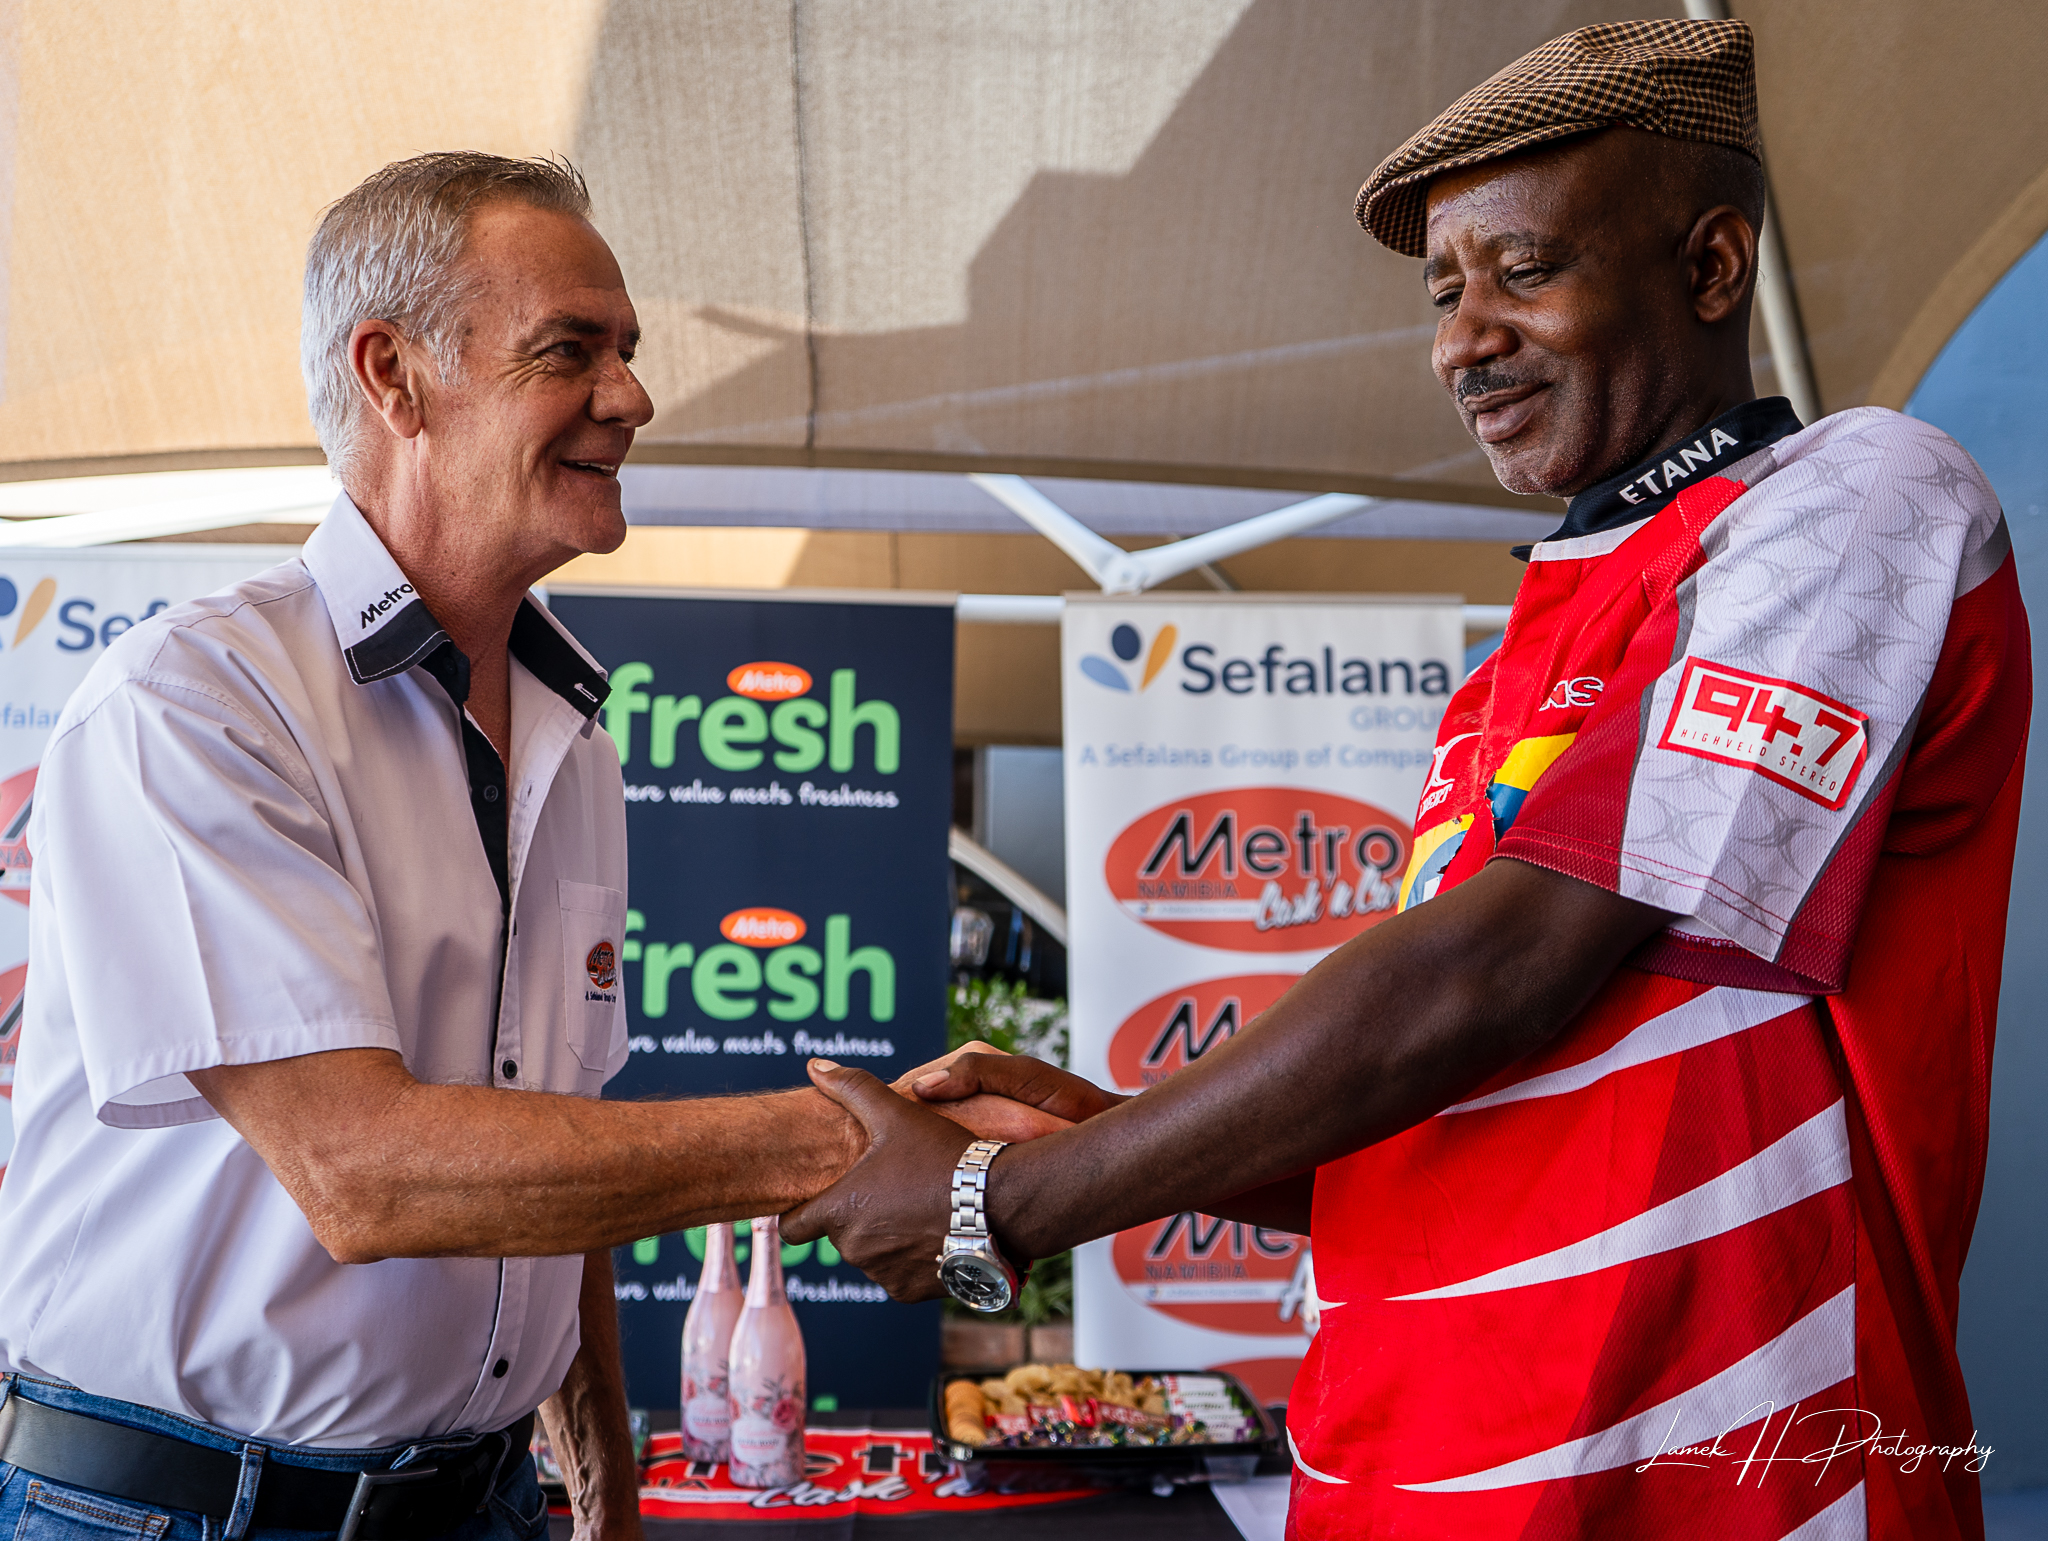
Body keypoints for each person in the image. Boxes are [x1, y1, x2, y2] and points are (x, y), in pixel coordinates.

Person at [785, 20, 2029, 1540]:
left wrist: (1008, 1207)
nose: (1462, 339)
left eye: (1524, 270)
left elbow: (1500, 969)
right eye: (1445, 292)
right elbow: (1427, 1139)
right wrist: (1081, 1118)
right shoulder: (1504, 675)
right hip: (1388, 1483)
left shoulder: (1861, 496)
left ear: (1713, 269)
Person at [0, 154, 1043, 1541]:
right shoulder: (199, 702)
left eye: (628, 351)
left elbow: (555, 1146)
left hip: (487, 1498)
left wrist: (604, 1483)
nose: (634, 395)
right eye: (573, 350)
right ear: (394, 375)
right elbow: (364, 1169)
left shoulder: (573, 735)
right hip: (181, 1510)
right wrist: (840, 1143)